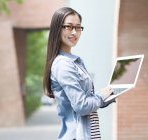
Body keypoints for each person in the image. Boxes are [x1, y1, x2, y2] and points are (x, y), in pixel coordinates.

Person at [43, 7, 115, 140]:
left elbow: (88, 101)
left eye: (78, 27)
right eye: (69, 27)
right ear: (57, 29)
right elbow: (81, 106)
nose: (75, 32)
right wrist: (101, 96)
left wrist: (109, 95)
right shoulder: (63, 65)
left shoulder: (75, 62)